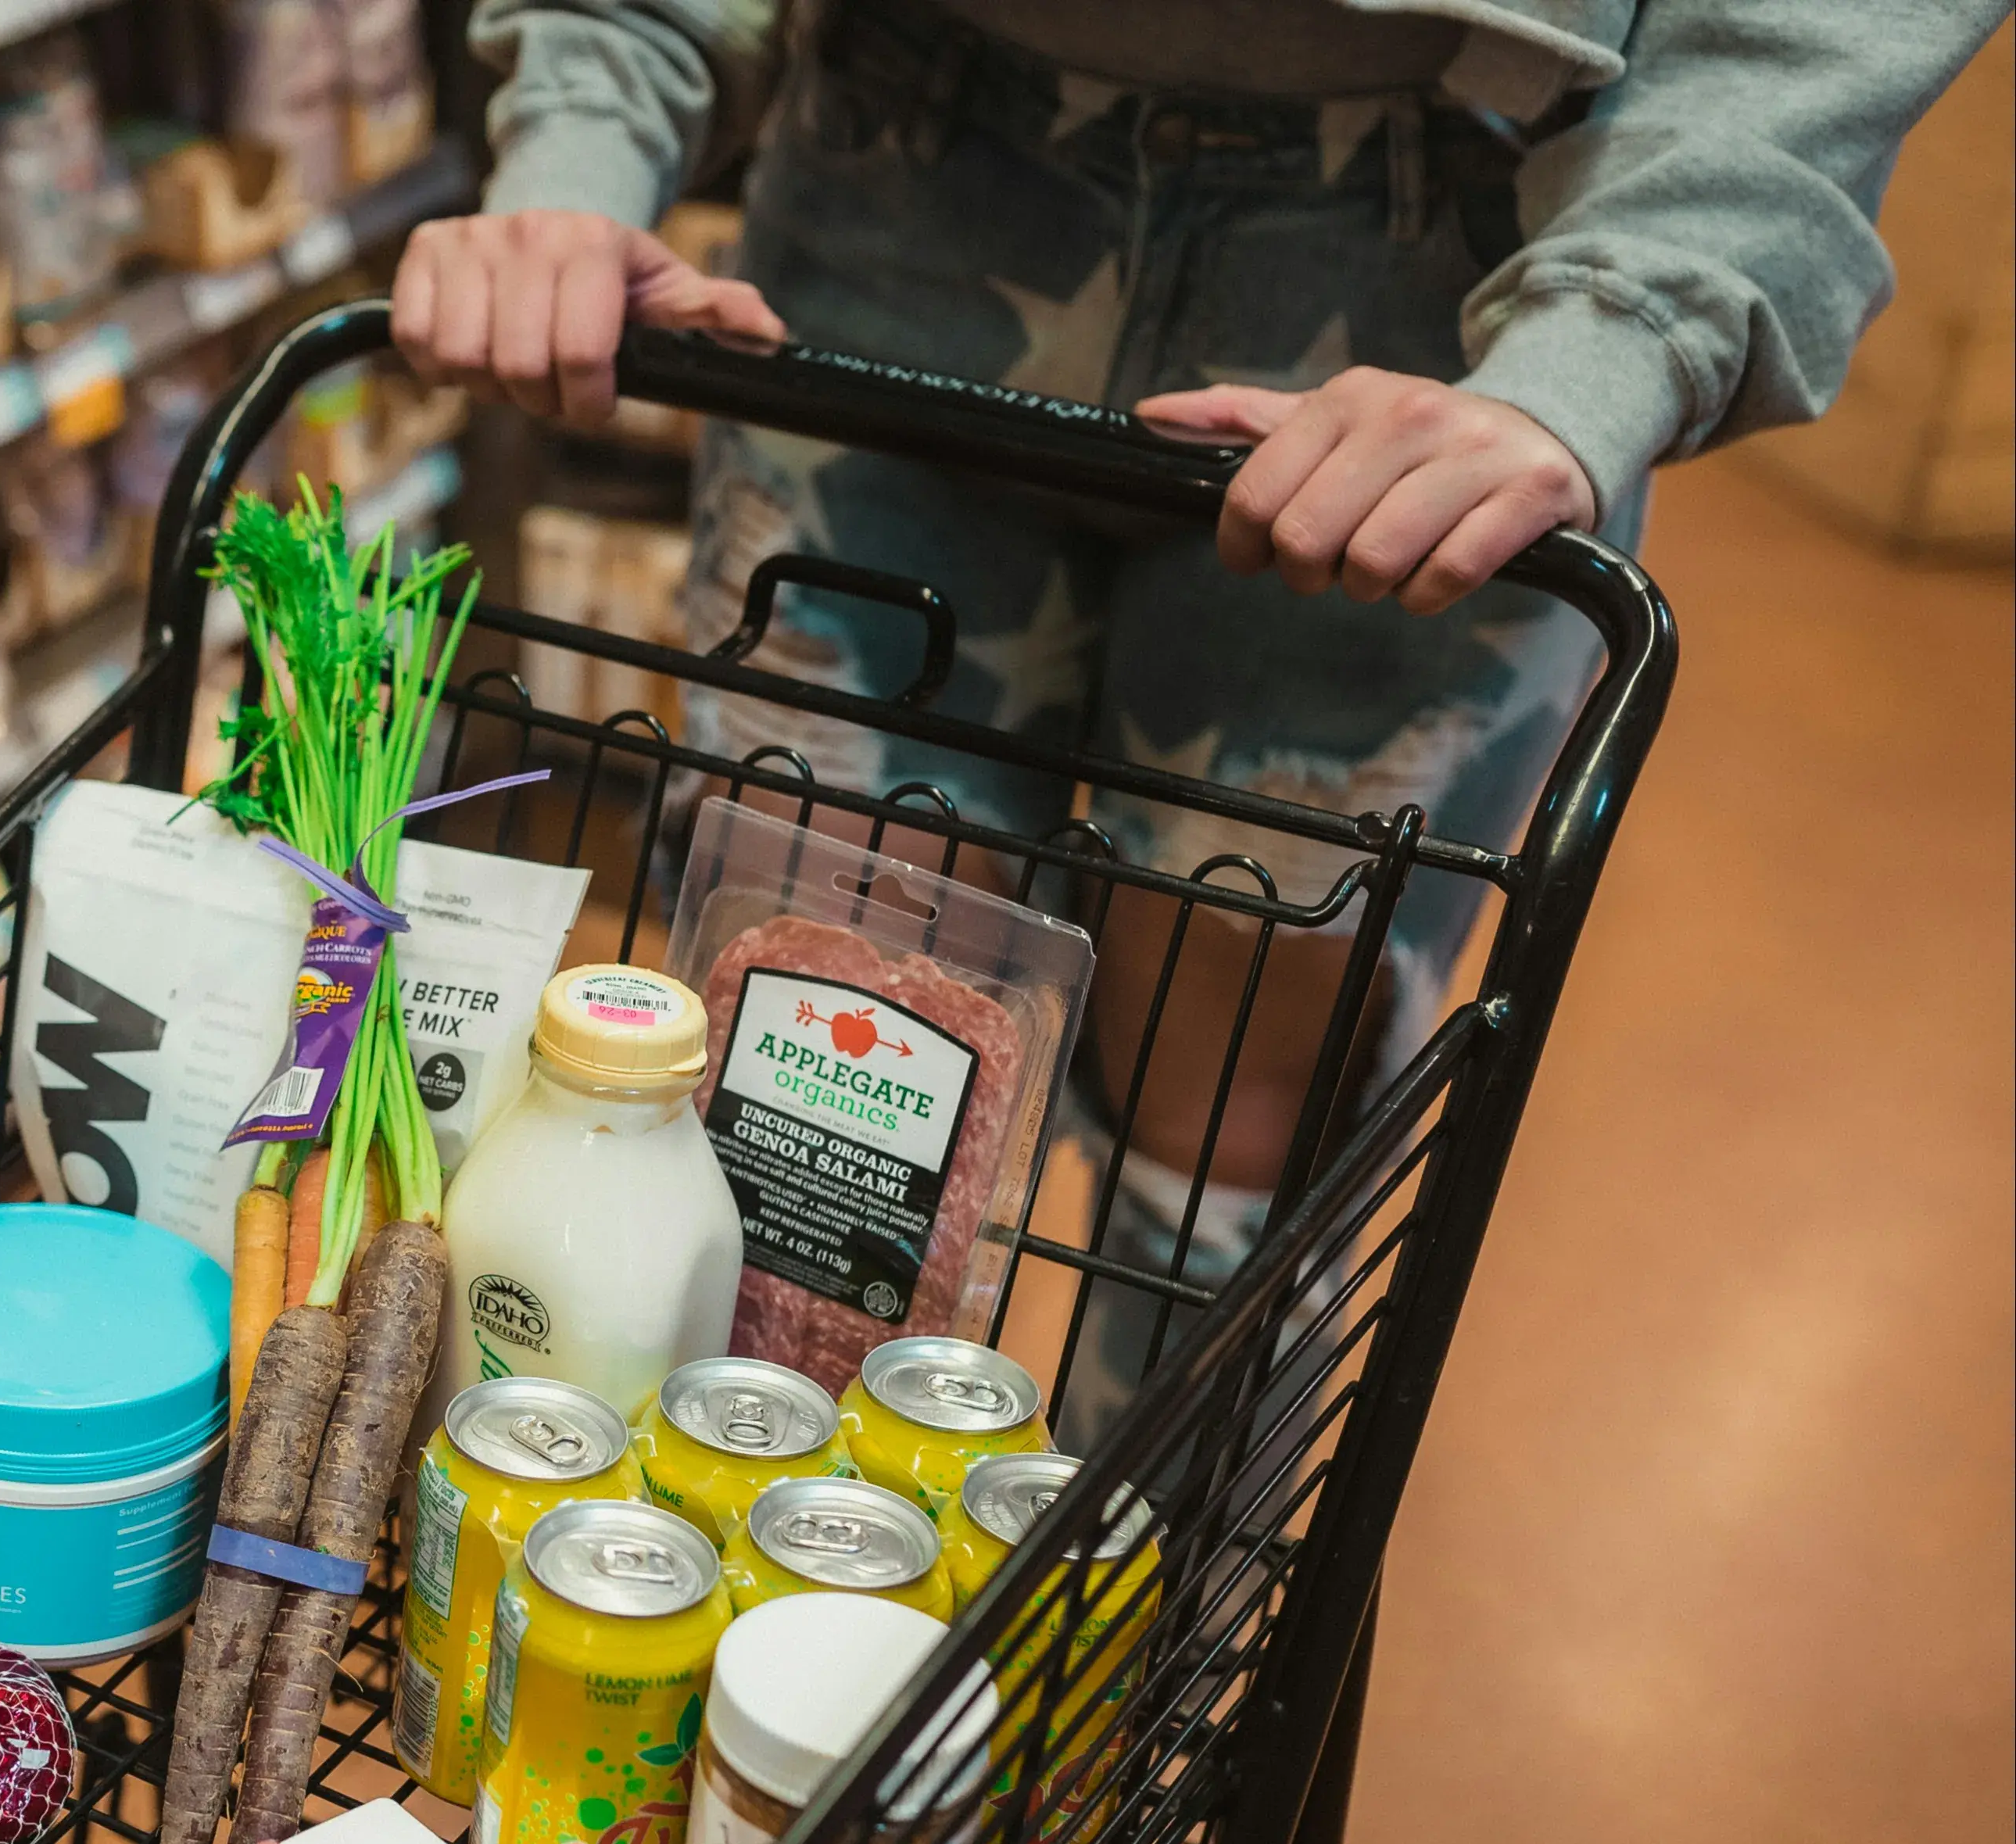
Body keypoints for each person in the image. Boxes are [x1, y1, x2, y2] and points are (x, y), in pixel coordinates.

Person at [397, 0, 2007, 1435]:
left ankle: (1094, 1692)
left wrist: (1610, 337)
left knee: (1232, 1141)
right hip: (890, 171)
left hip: (1457, 279)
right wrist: (581, 118)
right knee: (814, 1073)